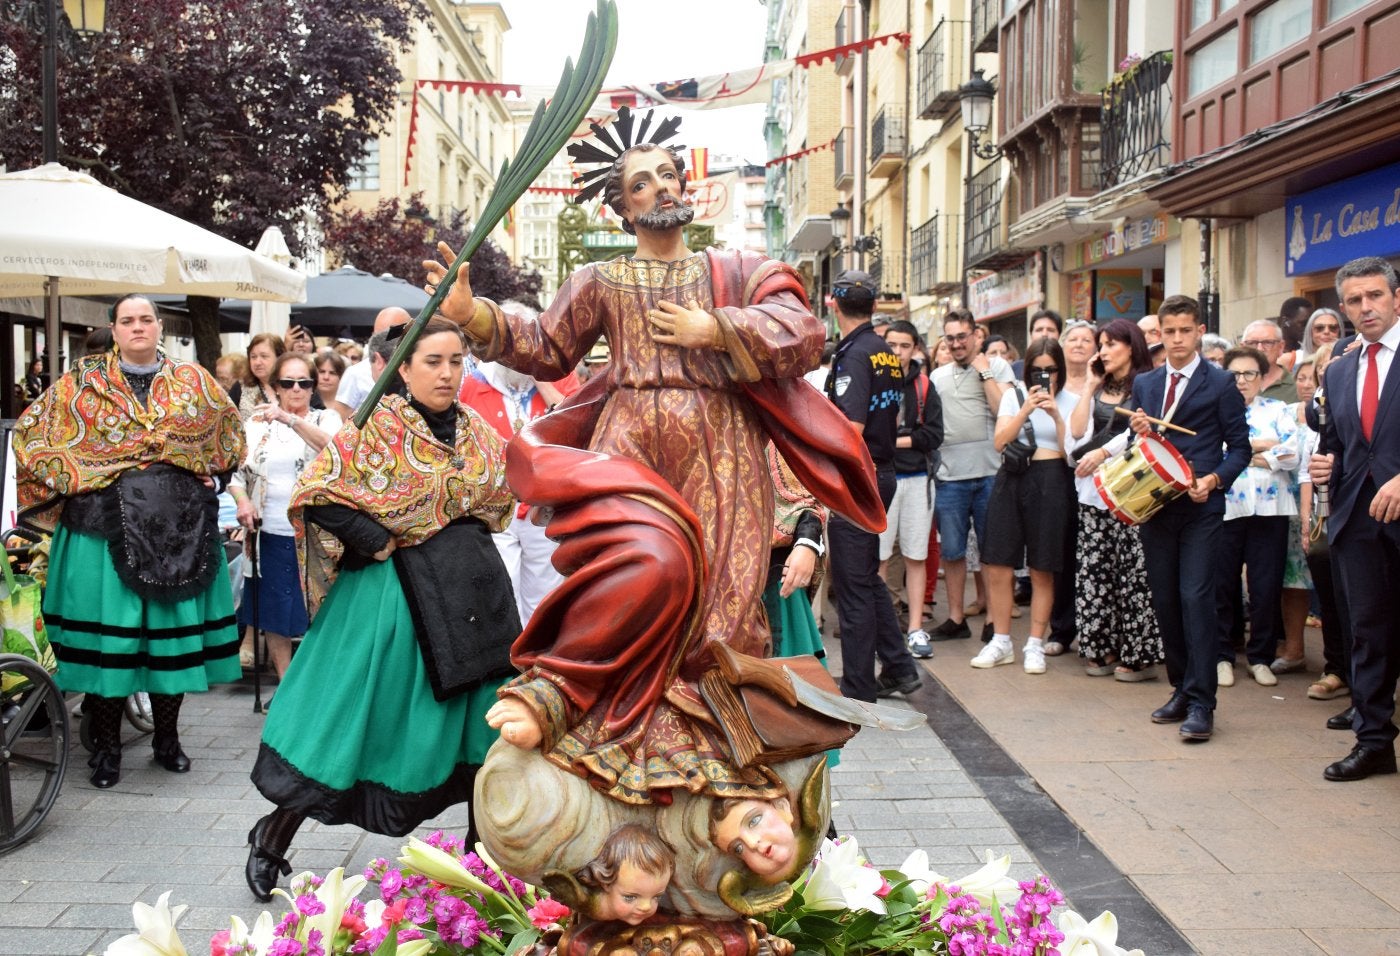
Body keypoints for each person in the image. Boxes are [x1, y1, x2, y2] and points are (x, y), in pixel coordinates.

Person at [431, 112, 881, 806]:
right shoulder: (601, 279)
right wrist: (477, 317)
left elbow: (804, 332)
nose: (661, 187)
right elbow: (547, 347)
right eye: (642, 182)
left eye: (669, 174)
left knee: (726, 591)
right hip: (632, 441)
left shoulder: (736, 269)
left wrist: (717, 327)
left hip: (721, 437)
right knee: (638, 577)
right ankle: (616, 726)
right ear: (623, 207)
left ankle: (724, 749)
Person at [245, 317, 519, 900]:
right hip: (394, 598)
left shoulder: (475, 430)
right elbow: (317, 493)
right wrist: (375, 535)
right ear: (403, 369)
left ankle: (480, 859)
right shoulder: (375, 430)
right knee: (352, 719)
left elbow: (504, 493)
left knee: (483, 728)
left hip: (474, 594)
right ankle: (272, 836)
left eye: (455, 361)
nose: (447, 373)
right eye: (432, 362)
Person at [13, 293, 245, 788]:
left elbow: (228, 441)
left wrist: (214, 478)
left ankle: (167, 740)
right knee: (111, 645)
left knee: (168, 642)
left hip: (177, 529)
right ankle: (106, 749)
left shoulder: (195, 383)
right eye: (127, 320)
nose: (137, 327)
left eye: (146, 319)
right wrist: (82, 473)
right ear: (113, 329)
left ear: (159, 326)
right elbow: (32, 438)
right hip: (101, 528)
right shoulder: (81, 383)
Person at [1130, 296, 1251, 743]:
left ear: (1200, 330)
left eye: (1186, 330)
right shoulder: (1145, 384)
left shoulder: (1220, 383)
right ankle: (1180, 688)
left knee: (1196, 597)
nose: (1177, 339)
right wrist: (1139, 432)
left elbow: (1239, 446)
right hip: (1156, 504)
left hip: (1202, 505)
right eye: (1169, 331)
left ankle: (1203, 702)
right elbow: (1137, 445)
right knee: (1165, 599)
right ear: (1158, 333)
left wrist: (1216, 479)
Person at [1311, 257, 1400, 781]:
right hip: (1356, 518)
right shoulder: (1341, 368)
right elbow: (1342, 443)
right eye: (1354, 300)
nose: (1366, 308)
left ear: (1395, 297)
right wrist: (1330, 463)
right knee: (1368, 631)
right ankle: (1373, 742)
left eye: (1375, 296)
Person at [822, 272, 922, 700]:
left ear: (833, 304)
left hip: (859, 477)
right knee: (865, 576)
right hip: (883, 472)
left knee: (853, 586)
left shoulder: (855, 355)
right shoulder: (884, 351)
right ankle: (899, 666)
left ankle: (859, 685)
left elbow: (852, 426)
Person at [228, 352, 341, 681]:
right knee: (274, 612)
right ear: (275, 386)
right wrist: (242, 502)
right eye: (288, 382)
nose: (296, 389)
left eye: (304, 382)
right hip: (269, 532)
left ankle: (315, 682)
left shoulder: (326, 419)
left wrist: (289, 419)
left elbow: (335, 450)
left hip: (318, 534)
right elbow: (237, 477)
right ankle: (286, 681)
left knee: (319, 611)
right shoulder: (255, 425)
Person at [459, 324, 578, 625]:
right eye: (510, 346)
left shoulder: (561, 379)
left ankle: (537, 663)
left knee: (544, 595)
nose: (517, 355)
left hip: (545, 506)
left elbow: (578, 428)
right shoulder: (477, 383)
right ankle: (506, 662)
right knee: (501, 587)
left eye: (524, 346)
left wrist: (542, 378)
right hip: (496, 506)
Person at [972, 339, 1076, 674]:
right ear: (1026, 370)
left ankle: (1035, 644)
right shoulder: (1015, 397)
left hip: (1052, 480)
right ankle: (1001, 640)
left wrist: (1057, 415)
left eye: (1050, 370)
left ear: (1060, 369)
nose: (1044, 377)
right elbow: (1001, 441)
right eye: (1037, 370)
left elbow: (1070, 453)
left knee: (1042, 566)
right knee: (999, 562)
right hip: (1013, 478)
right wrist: (1027, 409)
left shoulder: (1071, 401)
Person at [1066, 319, 1162, 680]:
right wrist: (1090, 385)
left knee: (1133, 574)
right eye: (1101, 344)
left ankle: (1138, 654)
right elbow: (1076, 432)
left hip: (1132, 492)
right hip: (1094, 493)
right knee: (1095, 571)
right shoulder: (1099, 384)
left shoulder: (1148, 384)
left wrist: (1103, 453)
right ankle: (1098, 646)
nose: (1102, 351)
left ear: (1131, 346)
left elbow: (1143, 433)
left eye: (1111, 344)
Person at [1215, 346, 1299, 688]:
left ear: (1262, 378)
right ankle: (1221, 655)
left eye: (1250, 374)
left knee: (1265, 586)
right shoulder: (1215, 410)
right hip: (1226, 508)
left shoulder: (1277, 409)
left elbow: (1292, 452)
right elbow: (1212, 451)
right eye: (1235, 374)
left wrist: (1241, 452)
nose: (1242, 381)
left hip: (1271, 509)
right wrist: (1262, 447)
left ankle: (1260, 656)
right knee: (1221, 582)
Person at [928, 310, 1014, 642]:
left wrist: (985, 373)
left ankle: (995, 620)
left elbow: (1004, 409)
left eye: (962, 336)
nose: (956, 344)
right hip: (950, 477)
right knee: (951, 551)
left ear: (976, 335)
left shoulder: (997, 367)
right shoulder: (937, 376)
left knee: (993, 552)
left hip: (992, 474)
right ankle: (955, 618)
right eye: (950, 338)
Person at [878, 319, 944, 658]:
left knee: (917, 556)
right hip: (882, 478)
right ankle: (881, 630)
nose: (898, 352)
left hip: (918, 480)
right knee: (879, 558)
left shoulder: (924, 386)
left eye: (904, 345)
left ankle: (916, 628)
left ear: (915, 347)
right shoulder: (874, 381)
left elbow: (933, 436)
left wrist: (893, 441)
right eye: (892, 344)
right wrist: (905, 440)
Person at [1272, 354, 1317, 674]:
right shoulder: (1284, 412)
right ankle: (1294, 647)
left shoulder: (1330, 414)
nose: (1306, 384)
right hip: (1285, 508)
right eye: (1300, 377)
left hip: (1321, 507)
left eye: (1313, 378)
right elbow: (1276, 450)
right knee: (1293, 581)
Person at [575, 824, 675, 926]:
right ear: (605, 884)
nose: (646, 906)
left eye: (657, 897)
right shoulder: (590, 903)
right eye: (630, 897)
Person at [330, 307, 412, 418]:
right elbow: (342, 419)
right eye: (381, 335)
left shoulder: (424, 368)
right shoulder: (355, 373)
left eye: (395, 333)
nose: (389, 342)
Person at [229, 333, 286, 421]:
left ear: (279, 358)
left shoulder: (295, 384)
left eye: (264, 356)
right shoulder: (240, 387)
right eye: (253, 357)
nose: (257, 362)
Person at [1240, 318, 1298, 403]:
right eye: (1252, 343)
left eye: (1267, 342)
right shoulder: (1230, 385)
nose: (1259, 349)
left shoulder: (1298, 386)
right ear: (1242, 348)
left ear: (1281, 347)